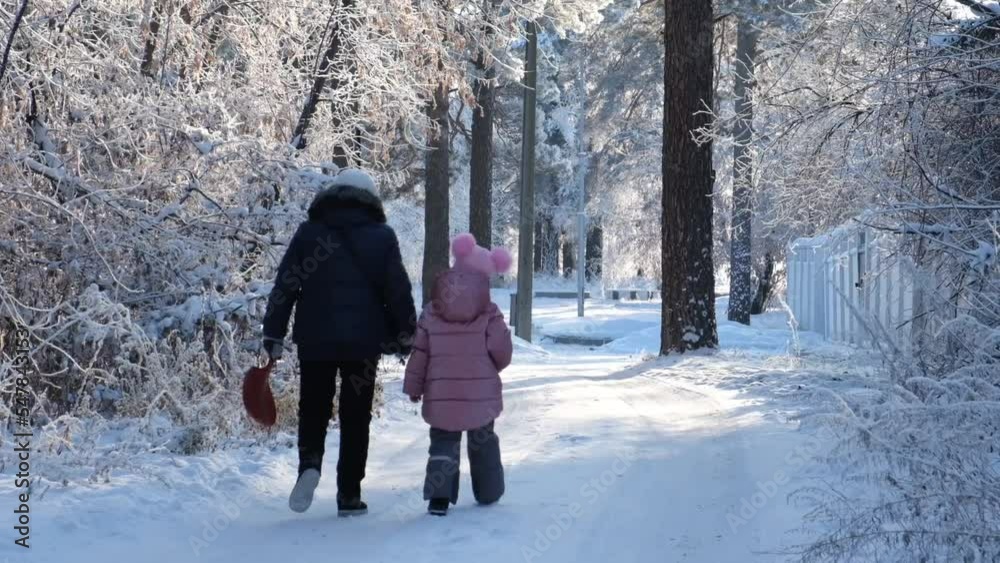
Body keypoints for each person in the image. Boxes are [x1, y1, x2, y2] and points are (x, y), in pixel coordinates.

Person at [261, 169, 416, 517]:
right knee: (355, 415)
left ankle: (310, 465)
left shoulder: (308, 233)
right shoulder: (382, 236)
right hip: (363, 343)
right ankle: (349, 493)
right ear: (371, 199)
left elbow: (285, 286)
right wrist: (407, 334)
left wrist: (273, 332)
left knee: (313, 407)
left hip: (315, 339)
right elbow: (398, 291)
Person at [403, 233, 513, 516]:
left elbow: (420, 353)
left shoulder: (433, 310)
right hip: (481, 395)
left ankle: (439, 498)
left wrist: (415, 385)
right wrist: (490, 368)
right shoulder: (489, 312)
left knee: (443, 442)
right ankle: (489, 492)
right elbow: (501, 351)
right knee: (483, 440)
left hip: (441, 394)